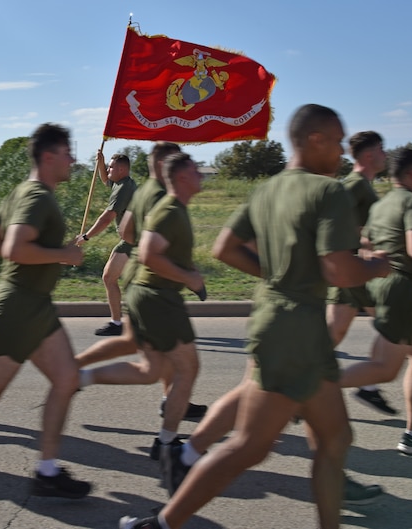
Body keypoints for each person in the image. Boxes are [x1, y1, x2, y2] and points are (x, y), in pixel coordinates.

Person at [120, 103, 390, 529]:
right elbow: (339, 269)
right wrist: (376, 266)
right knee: (250, 445)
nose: (341, 151)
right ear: (315, 139)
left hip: (284, 322)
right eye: (337, 140)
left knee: (336, 439)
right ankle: (162, 523)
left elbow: (225, 247)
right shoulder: (330, 191)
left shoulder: (268, 189)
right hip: (294, 333)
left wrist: (279, 275)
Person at [0, 123, 91, 499]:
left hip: (35, 306)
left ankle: (47, 472)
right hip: (17, 307)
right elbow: (14, 248)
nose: (72, 160)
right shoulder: (37, 197)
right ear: (49, 157)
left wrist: (47, 257)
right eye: (67, 153)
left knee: (67, 379)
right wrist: (63, 255)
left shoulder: (22, 192)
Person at [80, 152, 204, 464]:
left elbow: (128, 232)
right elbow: (141, 247)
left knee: (152, 363)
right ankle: (167, 439)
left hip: (147, 290)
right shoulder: (168, 206)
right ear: (180, 176)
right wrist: (190, 277)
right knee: (177, 368)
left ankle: (76, 372)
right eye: (196, 171)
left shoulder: (147, 193)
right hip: (157, 294)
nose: (202, 176)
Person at [339, 147, 412, 455]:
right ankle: (309, 388)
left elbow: (367, 241)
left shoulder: (383, 204)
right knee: (385, 369)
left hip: (386, 285)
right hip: (401, 289)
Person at [326, 131, 396, 415]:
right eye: (382, 149)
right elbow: (335, 223)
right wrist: (362, 250)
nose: (386, 154)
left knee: (334, 332)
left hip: (352, 268)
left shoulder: (362, 185)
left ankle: (297, 389)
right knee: (394, 322)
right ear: (369, 155)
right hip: (352, 268)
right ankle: (365, 385)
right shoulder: (355, 185)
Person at [76, 152, 136, 336]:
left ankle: (118, 324)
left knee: (110, 278)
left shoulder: (124, 188)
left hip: (134, 242)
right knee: (114, 278)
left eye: (111, 167)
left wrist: (86, 236)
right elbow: (105, 179)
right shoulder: (121, 183)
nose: (108, 170)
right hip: (132, 240)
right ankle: (121, 322)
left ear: (122, 169)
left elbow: (108, 217)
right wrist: (101, 163)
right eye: (108, 167)